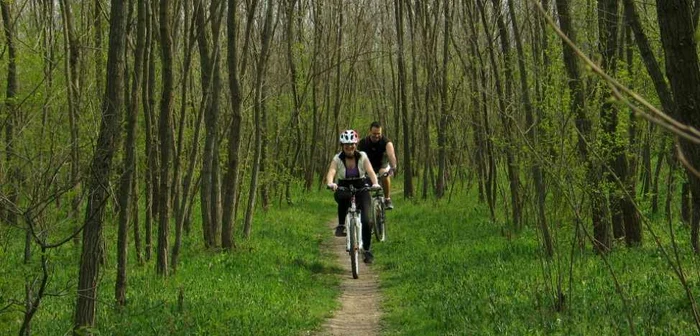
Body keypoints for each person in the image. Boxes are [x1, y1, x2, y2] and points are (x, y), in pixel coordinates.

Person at [326, 129, 381, 264]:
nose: (350, 147)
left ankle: (367, 250)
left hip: (361, 184)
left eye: (352, 144)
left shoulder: (362, 156)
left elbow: (370, 171)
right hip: (344, 185)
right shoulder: (337, 158)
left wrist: (375, 183)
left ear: (356, 144)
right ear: (342, 146)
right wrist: (330, 183)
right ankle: (341, 225)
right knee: (343, 197)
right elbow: (331, 172)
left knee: (367, 221)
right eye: (346, 145)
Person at [358, 121, 398, 209]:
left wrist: (393, 167)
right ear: (369, 132)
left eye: (378, 133)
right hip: (368, 167)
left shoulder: (386, 142)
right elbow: (357, 157)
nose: (376, 136)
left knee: (384, 174)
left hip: (381, 165)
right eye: (374, 133)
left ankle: (387, 199)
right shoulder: (363, 143)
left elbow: (391, 155)